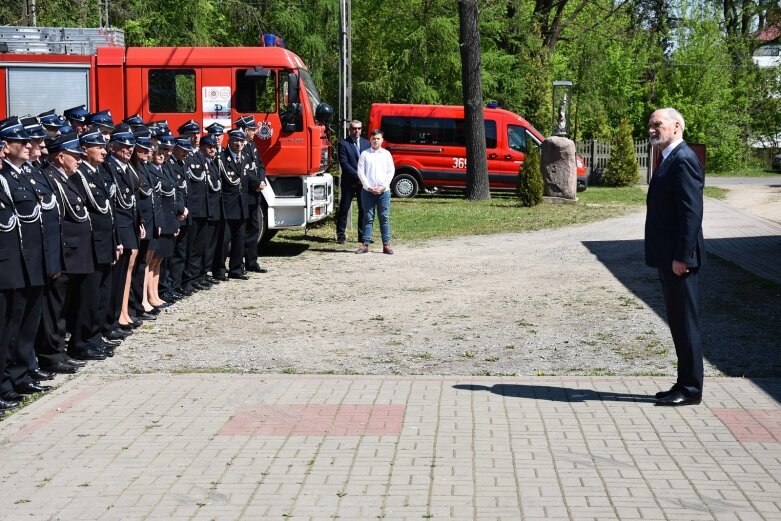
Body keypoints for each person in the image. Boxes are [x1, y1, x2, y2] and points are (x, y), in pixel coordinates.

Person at [645, 108, 705, 407]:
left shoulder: (683, 159)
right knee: (678, 324)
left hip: (680, 261)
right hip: (669, 258)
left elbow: (691, 214)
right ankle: (683, 384)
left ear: (677, 126)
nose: (652, 129)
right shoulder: (669, 158)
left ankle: (692, 390)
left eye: (658, 124)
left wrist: (682, 257)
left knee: (686, 325)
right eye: (650, 124)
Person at [355, 129, 395, 254]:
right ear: (370, 140)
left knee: (384, 218)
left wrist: (383, 186)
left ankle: (386, 245)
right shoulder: (365, 154)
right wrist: (368, 187)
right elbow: (360, 172)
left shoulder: (387, 154)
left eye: (378, 138)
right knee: (368, 217)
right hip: (368, 192)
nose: (375, 141)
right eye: (373, 139)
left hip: (384, 192)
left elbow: (391, 171)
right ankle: (365, 244)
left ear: (382, 140)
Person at [337, 120, 370, 244]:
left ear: (361, 129)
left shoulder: (367, 144)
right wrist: (359, 176)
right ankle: (340, 236)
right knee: (344, 209)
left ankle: (362, 237)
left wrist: (365, 179)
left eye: (359, 128)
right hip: (349, 183)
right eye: (354, 129)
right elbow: (344, 163)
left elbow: (369, 162)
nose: (356, 131)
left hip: (363, 184)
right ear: (349, 130)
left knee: (364, 209)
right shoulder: (343, 144)